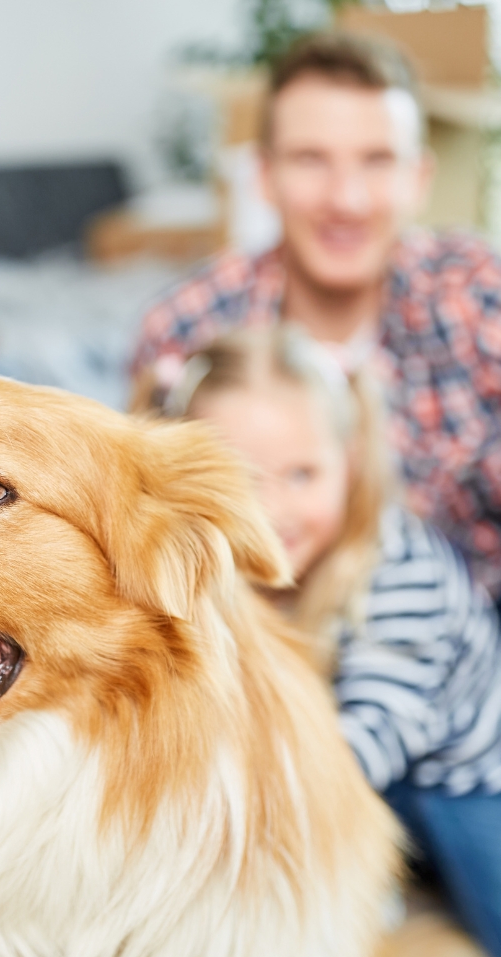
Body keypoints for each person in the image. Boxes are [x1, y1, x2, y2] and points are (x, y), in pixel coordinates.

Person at [139, 324, 501, 957]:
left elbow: (366, 746)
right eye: (241, 481)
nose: (273, 510)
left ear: (351, 463)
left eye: (302, 474)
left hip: (460, 771)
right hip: (328, 746)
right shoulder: (200, 564)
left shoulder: (401, 574)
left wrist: (243, 821)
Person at [131, 30, 501, 601]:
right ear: (264, 175)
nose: (346, 200)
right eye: (311, 159)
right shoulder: (185, 332)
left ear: (419, 178)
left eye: (377, 161)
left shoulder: (479, 301)